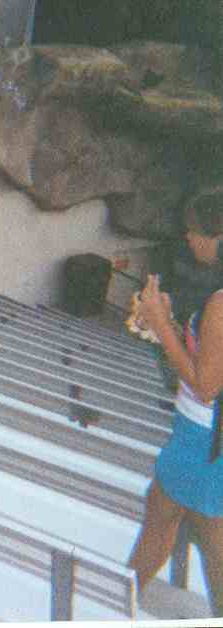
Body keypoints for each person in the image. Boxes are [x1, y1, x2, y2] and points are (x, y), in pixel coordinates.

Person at [127, 186, 223, 615]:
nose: (189, 239)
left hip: (202, 442)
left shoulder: (222, 303)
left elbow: (206, 385)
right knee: (167, 521)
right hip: (205, 442)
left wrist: (160, 323)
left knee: (186, 537)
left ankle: (113, 603)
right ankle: (119, 598)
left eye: (195, 232)